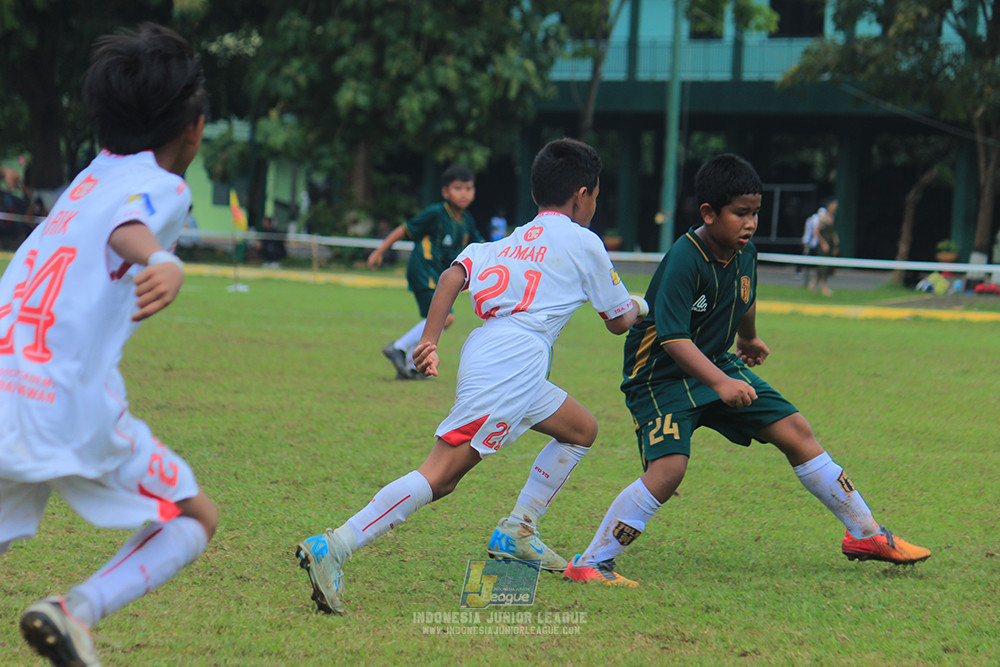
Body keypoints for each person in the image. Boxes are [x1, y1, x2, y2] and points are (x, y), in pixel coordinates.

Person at [295, 138, 644, 614]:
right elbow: (620, 320)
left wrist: (430, 340)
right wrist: (643, 304)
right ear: (583, 195)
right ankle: (335, 545)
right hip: (512, 365)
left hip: (493, 352)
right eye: (597, 197)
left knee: (580, 430)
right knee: (441, 476)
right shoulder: (584, 241)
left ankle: (518, 530)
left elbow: (452, 276)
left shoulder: (507, 242)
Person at [563, 154, 929, 587]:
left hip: (716, 361)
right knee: (668, 472)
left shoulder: (744, 251)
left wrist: (749, 337)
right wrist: (721, 382)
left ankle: (866, 535)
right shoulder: (684, 258)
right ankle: (592, 562)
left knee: (797, 430)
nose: (751, 223)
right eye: (741, 213)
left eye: (755, 213)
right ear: (708, 213)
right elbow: (673, 339)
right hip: (660, 377)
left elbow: (745, 293)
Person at [1, 23, 218, 666]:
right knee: (194, 517)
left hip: (5, 382)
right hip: (64, 401)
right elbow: (129, 227)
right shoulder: (163, 186)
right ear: (195, 129)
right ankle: (74, 612)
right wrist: (164, 260)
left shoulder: (89, 177)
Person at [367, 166, 482, 379]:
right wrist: (380, 251)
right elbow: (404, 229)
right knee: (446, 317)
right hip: (423, 269)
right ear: (445, 192)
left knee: (437, 319)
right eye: (458, 188)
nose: (464, 193)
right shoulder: (436, 213)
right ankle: (399, 348)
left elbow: (482, 246)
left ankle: (411, 366)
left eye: (468, 188)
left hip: (439, 276)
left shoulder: (467, 221)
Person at [809, 199, 839, 296]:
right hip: (823, 244)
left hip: (830, 243)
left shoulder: (832, 216)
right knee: (823, 266)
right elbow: (816, 231)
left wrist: (835, 237)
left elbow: (832, 231)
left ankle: (813, 285)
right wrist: (823, 243)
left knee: (825, 266)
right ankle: (824, 288)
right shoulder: (823, 217)